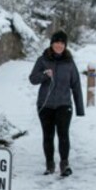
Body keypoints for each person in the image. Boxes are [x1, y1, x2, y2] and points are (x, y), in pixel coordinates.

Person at [28, 30, 84, 177]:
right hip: (45, 105)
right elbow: (32, 79)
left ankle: (64, 164)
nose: (59, 45)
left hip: (64, 105)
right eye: (56, 42)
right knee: (48, 136)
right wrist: (44, 75)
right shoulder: (43, 60)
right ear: (52, 44)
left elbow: (76, 85)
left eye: (62, 43)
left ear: (65, 45)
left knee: (63, 135)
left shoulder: (69, 63)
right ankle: (49, 164)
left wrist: (80, 108)